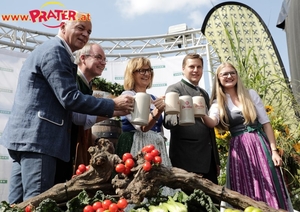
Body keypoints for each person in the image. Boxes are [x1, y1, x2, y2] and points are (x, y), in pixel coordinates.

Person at [0, 14, 134, 204]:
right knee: (36, 203)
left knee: (16, 205)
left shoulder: (51, 50)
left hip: (28, 139)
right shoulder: (56, 51)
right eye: (80, 28)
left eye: (89, 31)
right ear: (63, 26)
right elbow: (69, 98)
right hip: (40, 140)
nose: (85, 34)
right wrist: (113, 104)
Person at [202, 62, 293, 211]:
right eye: (224, 74)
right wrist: (199, 114)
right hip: (240, 149)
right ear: (218, 78)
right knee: (245, 184)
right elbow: (212, 122)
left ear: (237, 75)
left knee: (269, 181)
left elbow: (266, 123)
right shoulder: (218, 102)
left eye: (232, 72)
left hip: (259, 144)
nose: (229, 76)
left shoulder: (250, 94)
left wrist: (274, 151)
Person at [163, 53, 220, 197]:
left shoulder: (204, 93)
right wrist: (176, 111)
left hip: (209, 163)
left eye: (199, 67)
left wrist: (216, 160)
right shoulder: (174, 89)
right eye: (191, 66)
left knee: (212, 204)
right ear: (183, 68)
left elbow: (209, 130)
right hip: (187, 159)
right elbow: (168, 123)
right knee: (191, 204)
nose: (195, 70)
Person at [54, 42, 111, 184]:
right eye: (99, 57)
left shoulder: (87, 84)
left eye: (104, 59)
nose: (103, 63)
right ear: (83, 58)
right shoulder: (73, 80)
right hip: (58, 146)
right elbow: (77, 117)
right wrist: (114, 109)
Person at [116, 57, 172, 168]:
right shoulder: (128, 96)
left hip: (155, 147)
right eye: (142, 70)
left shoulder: (154, 98)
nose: (147, 74)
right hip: (136, 145)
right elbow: (141, 127)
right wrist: (157, 111)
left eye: (149, 70)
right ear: (132, 74)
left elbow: (159, 129)